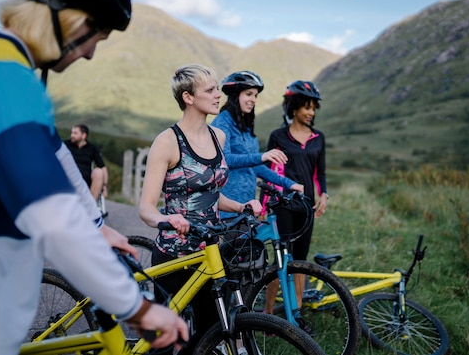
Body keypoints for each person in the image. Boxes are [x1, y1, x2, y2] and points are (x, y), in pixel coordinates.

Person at [0, 0, 187, 354]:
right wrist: (136, 308)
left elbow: (58, 160)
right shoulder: (1, 78)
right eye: (95, 36)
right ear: (70, 21)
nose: (89, 55)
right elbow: (52, 216)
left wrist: (99, 228)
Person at [138, 64, 262, 353]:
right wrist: (168, 220)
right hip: (174, 256)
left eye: (217, 88)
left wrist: (241, 205)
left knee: (211, 334)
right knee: (165, 342)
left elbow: (210, 194)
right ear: (188, 97)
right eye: (210, 90)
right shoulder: (167, 142)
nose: (218, 95)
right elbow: (146, 209)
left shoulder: (218, 138)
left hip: (209, 254)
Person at [265, 80, 328, 309]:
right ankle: (268, 310)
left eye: (313, 108)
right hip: (283, 205)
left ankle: (297, 311)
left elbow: (320, 172)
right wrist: (266, 205)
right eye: (307, 107)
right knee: (281, 258)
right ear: (294, 108)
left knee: (300, 260)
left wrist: (324, 194)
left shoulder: (318, 138)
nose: (311, 112)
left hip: (307, 205)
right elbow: (268, 172)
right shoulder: (278, 136)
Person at [210, 70, 303, 223]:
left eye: (255, 95)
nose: (253, 99)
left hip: (246, 207)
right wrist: (262, 156)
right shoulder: (222, 122)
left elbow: (255, 166)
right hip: (227, 210)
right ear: (235, 95)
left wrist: (290, 184)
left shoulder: (245, 128)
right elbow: (225, 159)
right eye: (248, 94)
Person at [65, 123, 109, 201]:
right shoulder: (65, 145)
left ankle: (91, 206)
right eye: (72, 132)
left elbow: (102, 167)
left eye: (75, 133)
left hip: (86, 182)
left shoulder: (92, 148)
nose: (72, 135)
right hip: (68, 179)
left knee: (98, 171)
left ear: (84, 135)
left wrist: (105, 186)